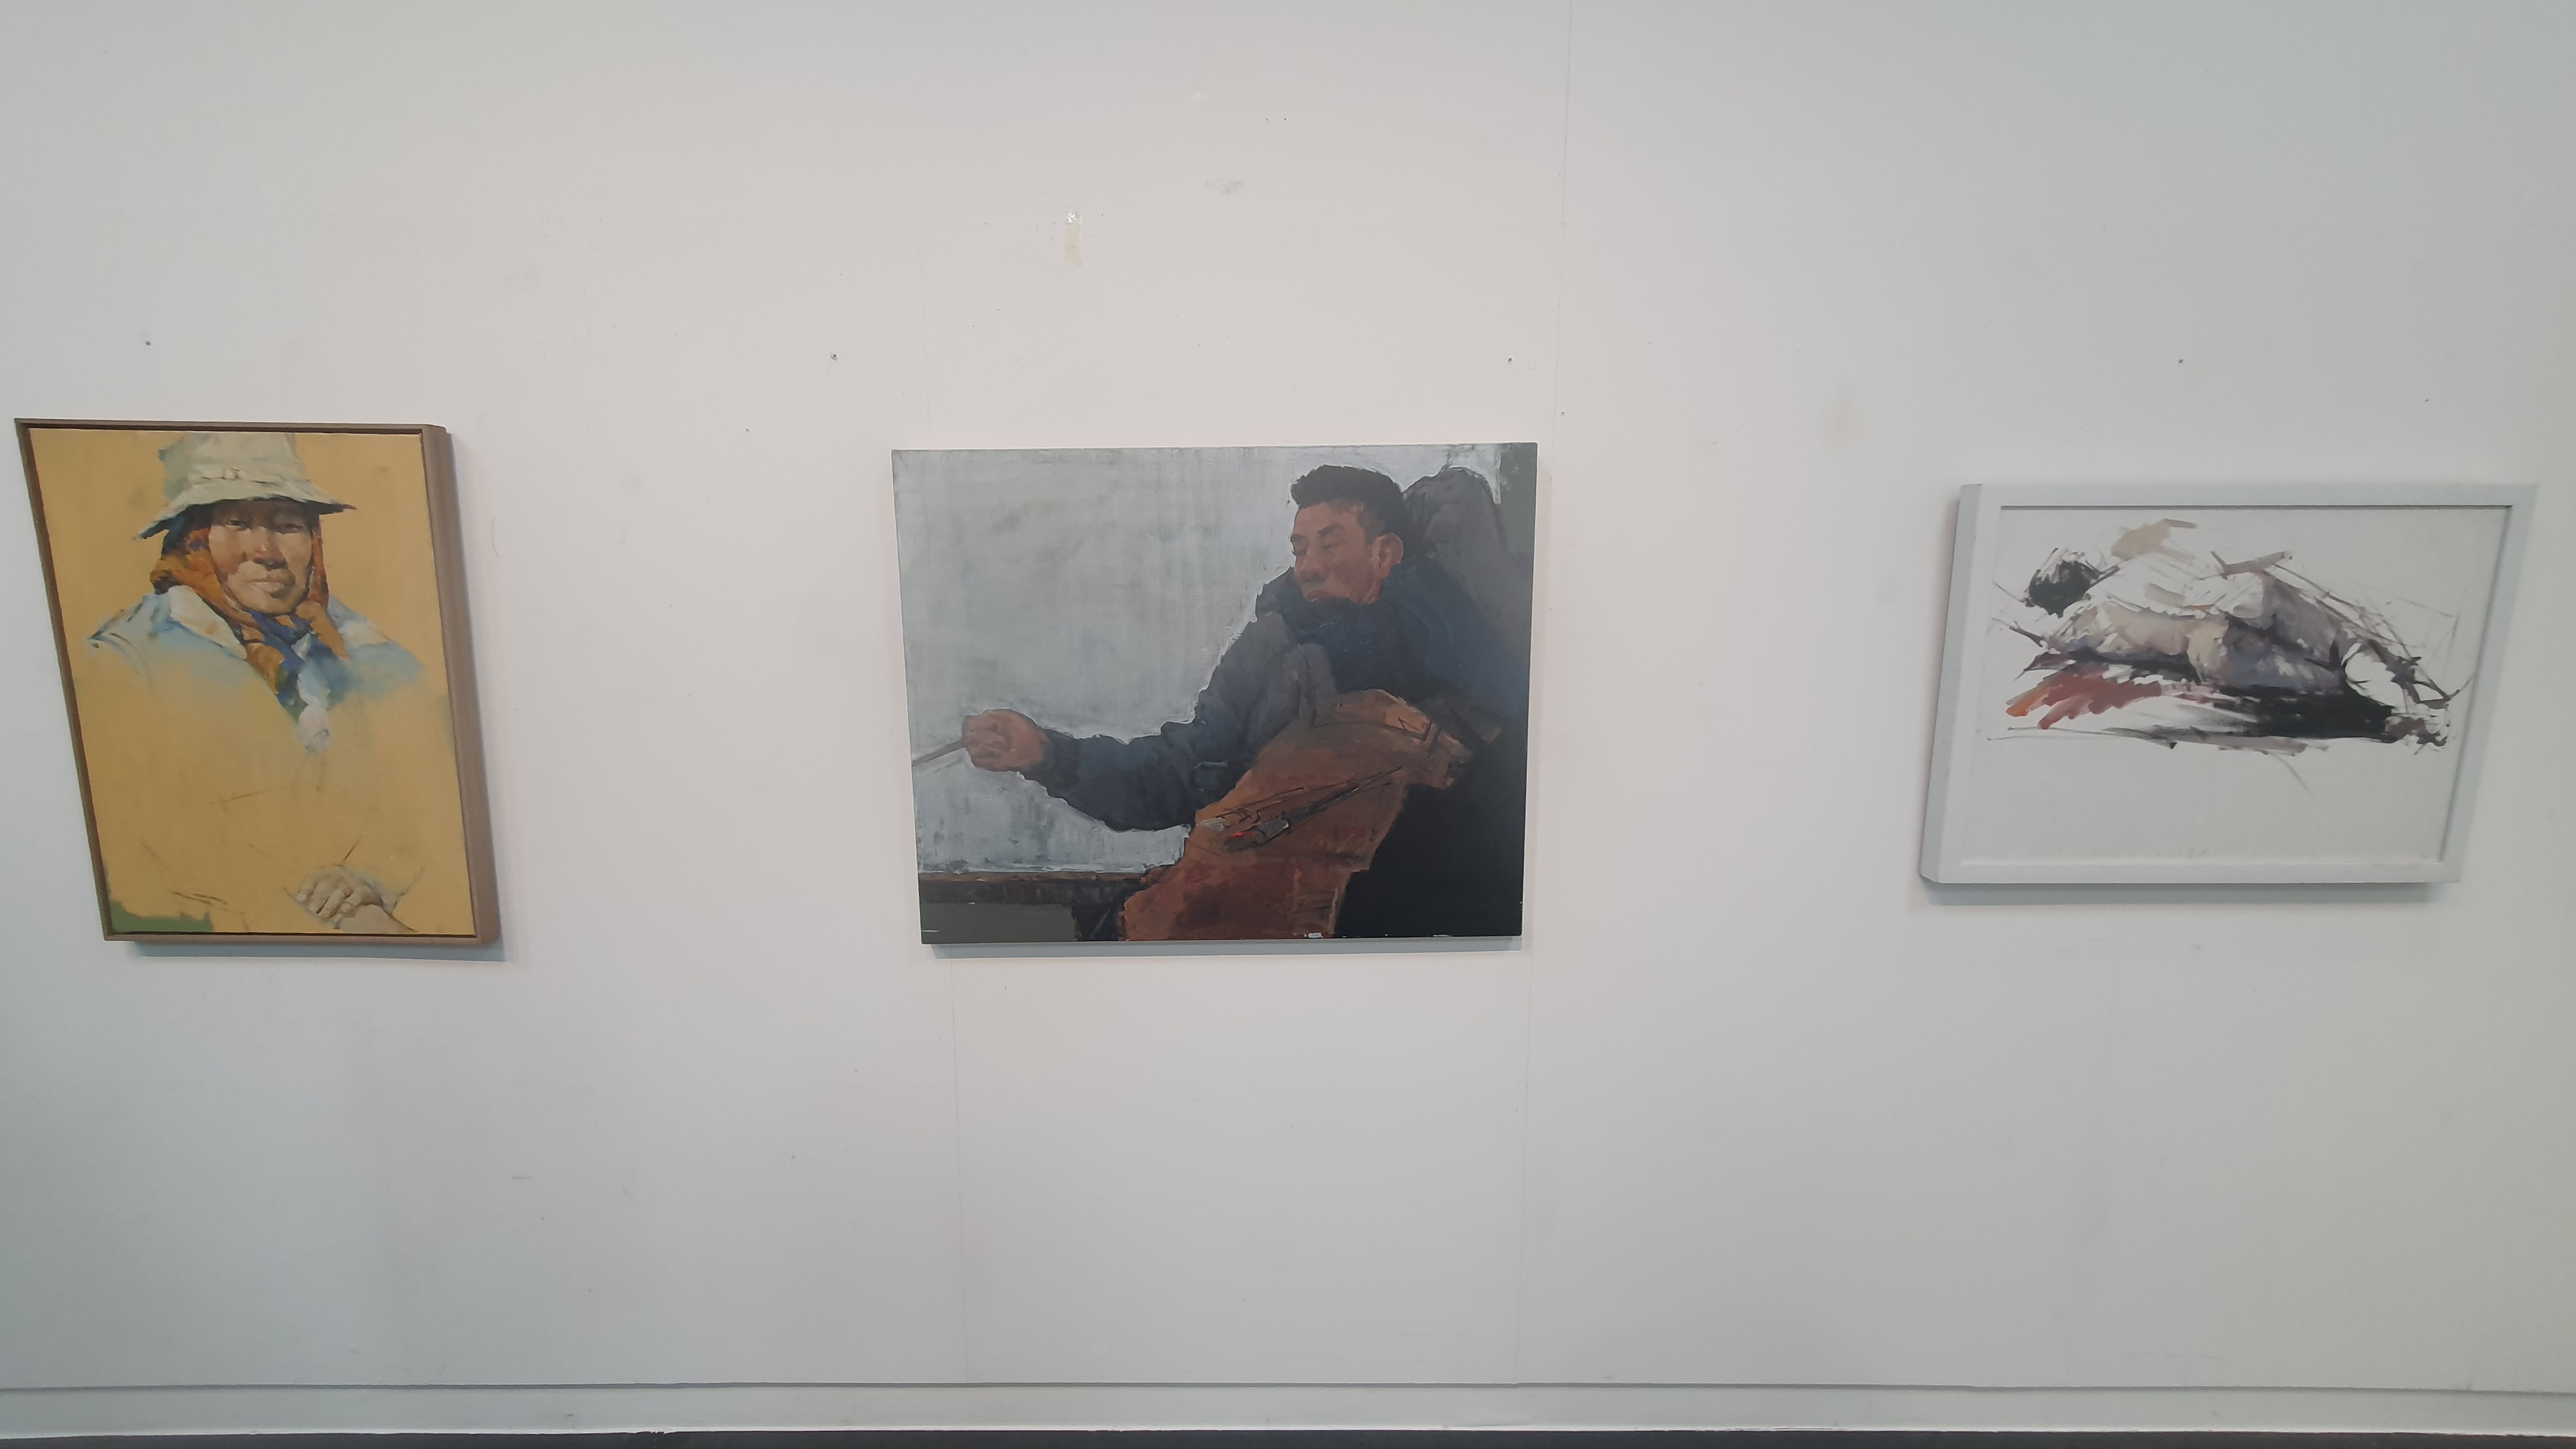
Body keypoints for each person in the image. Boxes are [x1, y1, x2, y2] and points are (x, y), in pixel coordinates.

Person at [959, 464, 1530, 937]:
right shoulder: (1278, 649)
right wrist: (1048, 754)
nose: (1309, 568)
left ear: (1386, 554)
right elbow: (1185, 770)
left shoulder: (1481, 666)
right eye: (1300, 550)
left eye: (1331, 545)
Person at [73, 432, 469, 934]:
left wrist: (371, 880)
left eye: (288, 526)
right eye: (236, 523)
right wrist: (337, 922)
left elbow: (428, 804)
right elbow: (147, 852)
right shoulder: (125, 662)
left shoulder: (377, 659)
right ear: (193, 540)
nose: (265, 551)